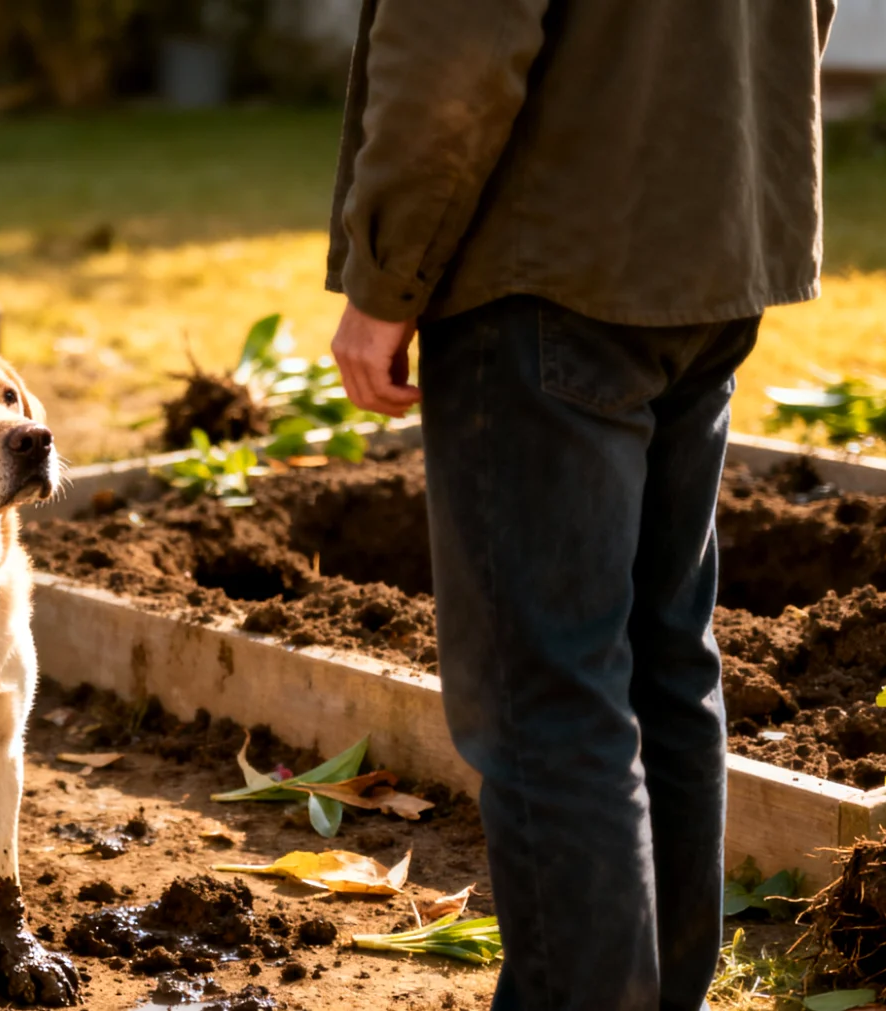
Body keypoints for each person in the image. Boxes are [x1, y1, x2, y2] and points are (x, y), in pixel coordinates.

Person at [324, 2, 836, 1008]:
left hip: (549, 265)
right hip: (716, 243)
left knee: (548, 698)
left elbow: (457, 44)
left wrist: (385, 280)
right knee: (661, 663)